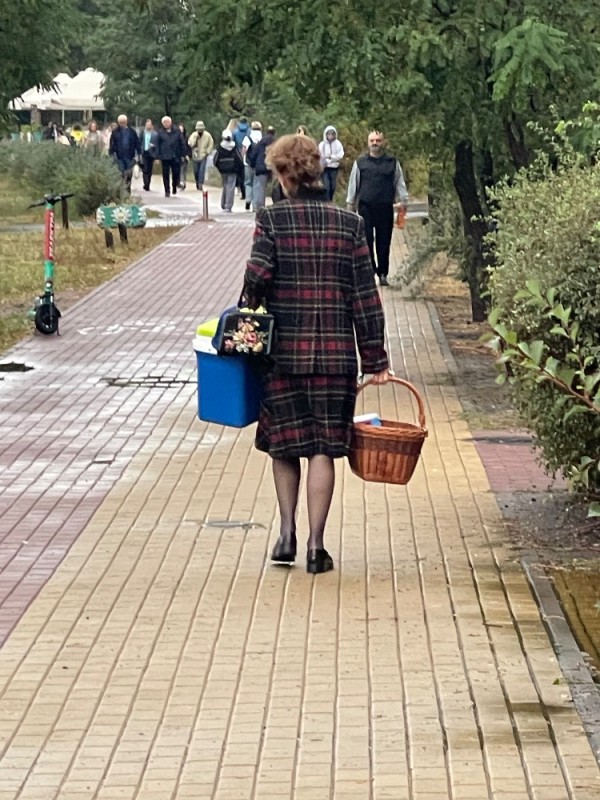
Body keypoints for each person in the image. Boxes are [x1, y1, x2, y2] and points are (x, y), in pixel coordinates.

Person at [240, 134, 390, 574]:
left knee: (284, 446)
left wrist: (246, 322)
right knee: (323, 447)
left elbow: (256, 281)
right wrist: (376, 359)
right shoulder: (349, 223)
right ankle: (316, 547)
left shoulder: (271, 220)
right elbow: (366, 297)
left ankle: (286, 532)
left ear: (287, 175)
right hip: (335, 357)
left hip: (283, 354)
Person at [346, 130, 409, 286]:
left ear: (383, 142)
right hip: (365, 208)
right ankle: (370, 272)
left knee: (384, 242)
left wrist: (404, 200)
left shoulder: (392, 162)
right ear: (368, 143)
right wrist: (350, 205)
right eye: (372, 140)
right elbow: (353, 184)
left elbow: (399, 182)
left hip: (385, 207)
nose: (375, 143)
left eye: (378, 140)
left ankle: (383, 273)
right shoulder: (360, 163)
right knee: (366, 241)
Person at [109, 115, 141, 194]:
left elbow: (137, 143)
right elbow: (112, 144)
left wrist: (139, 153)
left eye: (123, 122)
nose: (122, 124)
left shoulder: (132, 132)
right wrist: (111, 154)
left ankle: (128, 188)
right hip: (119, 156)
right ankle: (122, 189)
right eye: (120, 122)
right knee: (121, 173)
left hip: (130, 156)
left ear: (126, 122)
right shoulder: (115, 132)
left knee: (129, 173)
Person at [213, 129, 243, 212]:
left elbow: (215, 160)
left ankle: (223, 204)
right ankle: (228, 205)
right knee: (231, 186)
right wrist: (238, 169)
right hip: (233, 170)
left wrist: (219, 167)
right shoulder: (234, 147)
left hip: (223, 170)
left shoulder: (220, 147)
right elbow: (239, 159)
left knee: (225, 185)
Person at [156, 115, 185, 197]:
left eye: (167, 122)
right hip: (165, 156)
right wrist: (157, 157)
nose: (166, 124)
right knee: (165, 174)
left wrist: (183, 154)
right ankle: (167, 190)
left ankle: (174, 186)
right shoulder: (160, 132)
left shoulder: (177, 131)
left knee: (176, 173)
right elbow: (157, 145)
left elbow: (182, 142)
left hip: (175, 155)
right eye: (164, 122)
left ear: (170, 122)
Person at [248, 125, 276, 211]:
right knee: (266, 187)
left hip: (260, 166)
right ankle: (260, 205)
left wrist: (252, 164)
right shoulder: (275, 143)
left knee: (259, 187)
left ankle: (258, 206)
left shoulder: (261, 142)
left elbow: (255, 154)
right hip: (270, 166)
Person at [319, 125, 344, 202]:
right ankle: (326, 201)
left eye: (332, 134)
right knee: (327, 186)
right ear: (326, 135)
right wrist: (327, 160)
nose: (330, 136)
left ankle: (330, 200)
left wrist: (331, 157)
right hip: (325, 168)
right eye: (329, 134)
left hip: (334, 168)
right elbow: (321, 156)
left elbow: (340, 155)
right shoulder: (322, 145)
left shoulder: (338, 144)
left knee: (333, 186)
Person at [241, 120, 262, 211]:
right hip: (258, 164)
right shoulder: (262, 138)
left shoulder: (248, 138)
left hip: (248, 164)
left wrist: (243, 160)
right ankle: (255, 205)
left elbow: (244, 150)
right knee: (257, 184)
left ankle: (248, 201)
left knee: (248, 183)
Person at [187, 121, 214, 191]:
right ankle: (197, 181)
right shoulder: (193, 135)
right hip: (195, 156)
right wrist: (195, 139)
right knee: (196, 171)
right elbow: (190, 143)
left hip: (203, 155)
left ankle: (200, 183)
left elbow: (211, 144)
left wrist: (207, 152)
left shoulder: (208, 135)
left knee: (202, 170)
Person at [233, 116, 250, 200]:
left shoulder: (235, 132)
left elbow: (233, 143)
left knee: (239, 174)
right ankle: (247, 193)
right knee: (247, 175)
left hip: (237, 153)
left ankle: (239, 189)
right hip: (247, 153)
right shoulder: (249, 131)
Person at [140, 119, 158, 191]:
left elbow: (157, 144)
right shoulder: (142, 133)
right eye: (147, 125)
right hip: (144, 152)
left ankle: (148, 183)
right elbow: (140, 142)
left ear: (152, 126)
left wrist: (154, 146)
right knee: (145, 169)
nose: (148, 126)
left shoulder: (155, 134)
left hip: (151, 153)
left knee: (149, 169)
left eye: (149, 125)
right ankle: (146, 183)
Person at [177, 122, 191, 189]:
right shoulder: (175, 138)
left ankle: (183, 182)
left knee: (183, 170)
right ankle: (178, 182)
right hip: (177, 156)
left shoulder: (187, 137)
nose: (181, 131)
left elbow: (189, 147)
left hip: (184, 156)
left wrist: (188, 155)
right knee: (177, 170)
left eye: (182, 129)